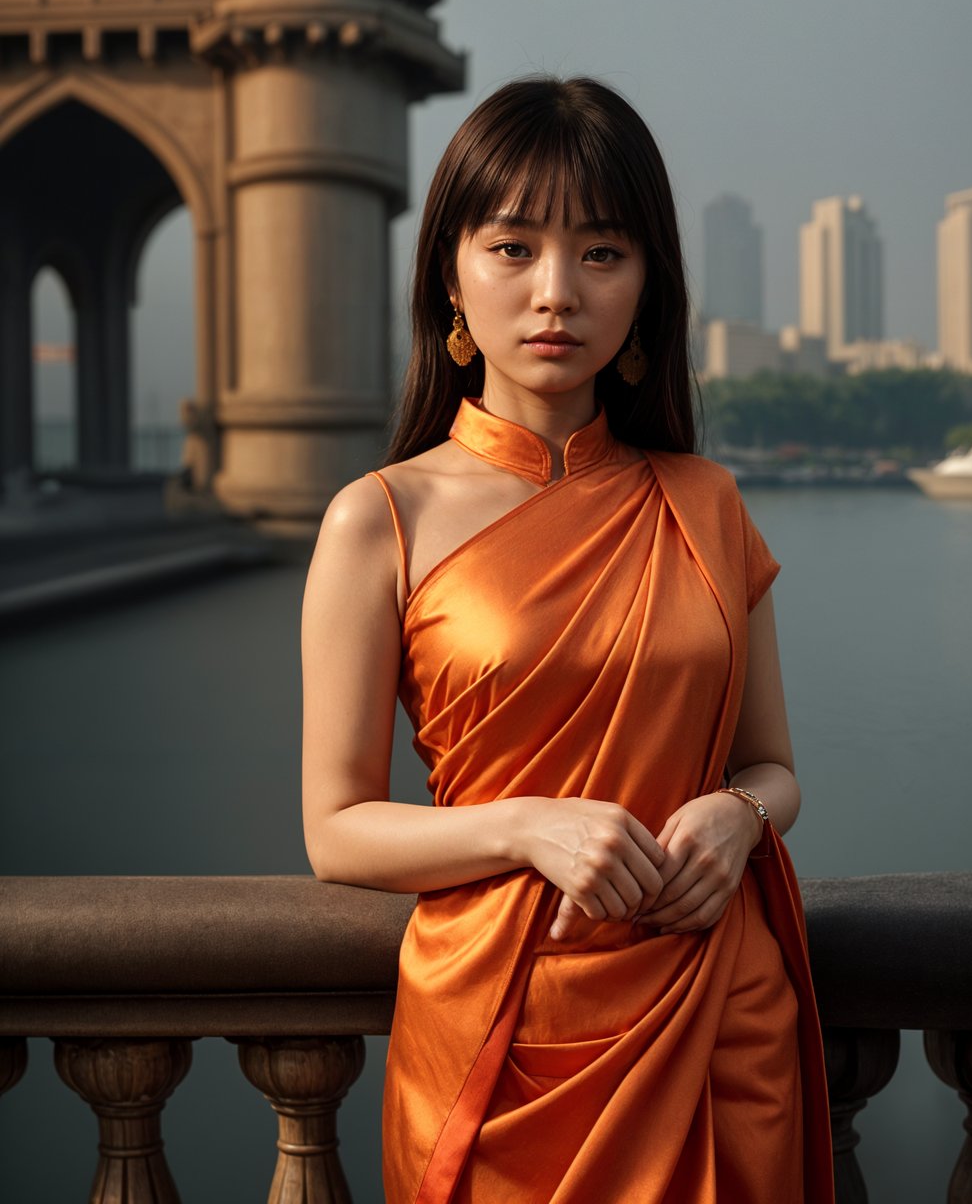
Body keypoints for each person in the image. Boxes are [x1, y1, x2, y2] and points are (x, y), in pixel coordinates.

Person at [301, 77, 834, 1203]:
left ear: (647, 284)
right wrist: (528, 828)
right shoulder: (378, 518)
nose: (556, 293)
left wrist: (736, 821)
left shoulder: (707, 503)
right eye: (511, 248)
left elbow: (772, 767)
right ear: (451, 270)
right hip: (501, 1033)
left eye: (601, 253)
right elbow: (337, 831)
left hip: (717, 1012)